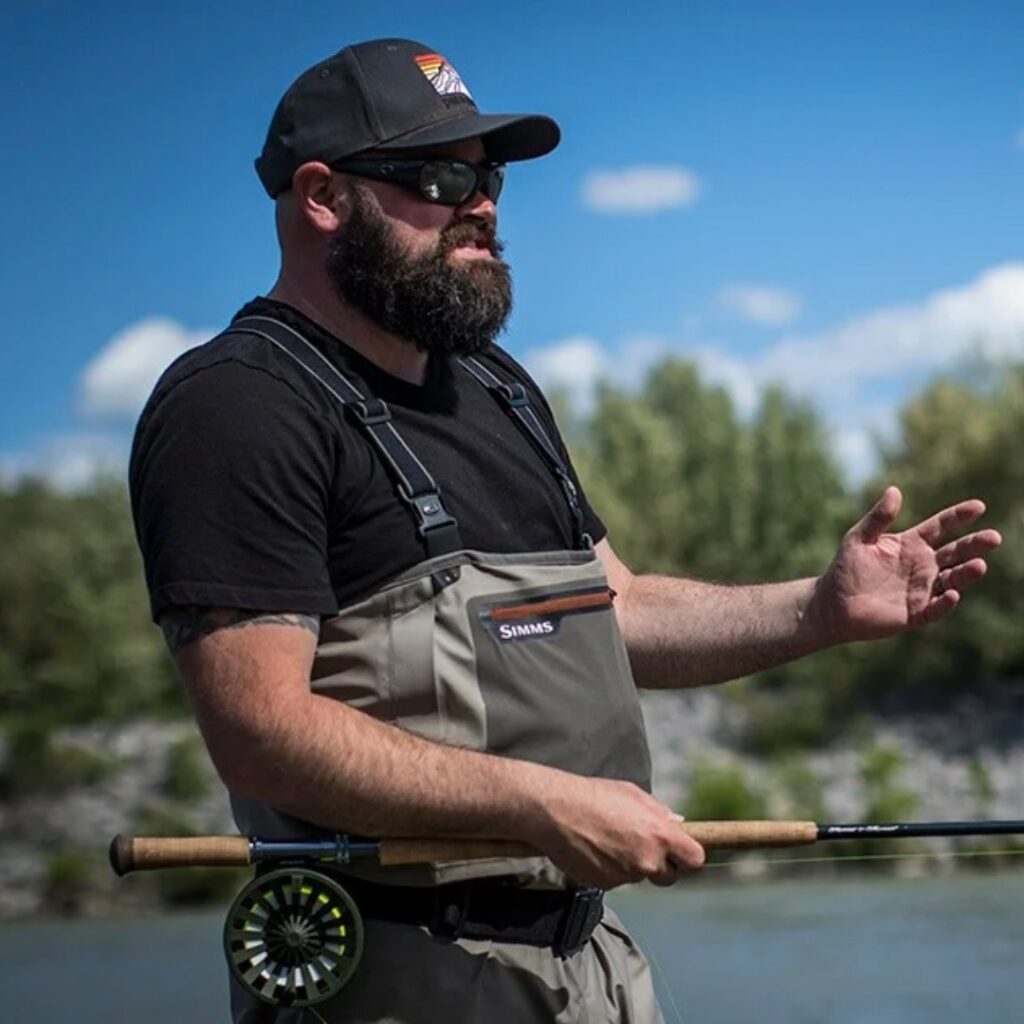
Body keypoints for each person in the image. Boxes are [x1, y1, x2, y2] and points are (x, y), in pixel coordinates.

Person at [129, 37, 1002, 1024]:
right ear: (324, 196)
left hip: (591, 961)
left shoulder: (494, 387)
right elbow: (261, 732)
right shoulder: (238, 406)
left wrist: (817, 610)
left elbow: (616, 610)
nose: (482, 205)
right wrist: (540, 802)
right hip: (396, 977)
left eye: (490, 177)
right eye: (441, 176)